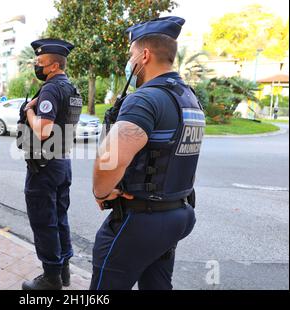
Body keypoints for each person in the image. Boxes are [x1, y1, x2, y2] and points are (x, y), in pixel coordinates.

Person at [91, 17, 205, 290]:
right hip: (178, 213)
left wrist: (101, 193)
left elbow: (111, 158)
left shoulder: (146, 98)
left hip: (140, 220)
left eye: (131, 56)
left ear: (144, 55)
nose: (130, 63)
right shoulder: (189, 98)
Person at [19, 39, 82, 290]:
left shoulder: (50, 89)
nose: (37, 66)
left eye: (41, 63)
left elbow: (43, 130)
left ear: (54, 65)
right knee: (60, 217)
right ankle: (63, 270)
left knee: (44, 220)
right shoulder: (71, 89)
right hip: (61, 161)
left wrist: (28, 111)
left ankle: (51, 278)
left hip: (43, 165)